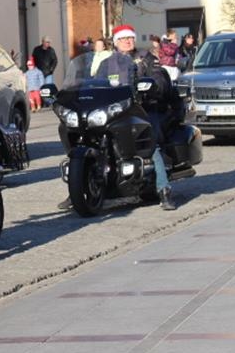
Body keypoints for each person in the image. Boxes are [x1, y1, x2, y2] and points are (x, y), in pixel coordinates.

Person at [57, 24, 177, 212]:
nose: (127, 41)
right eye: (122, 39)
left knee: (150, 142)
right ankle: (78, 189)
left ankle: (164, 190)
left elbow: (159, 80)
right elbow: (95, 83)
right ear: (115, 42)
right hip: (115, 110)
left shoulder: (146, 59)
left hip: (142, 107)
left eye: (130, 38)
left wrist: (151, 87)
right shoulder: (107, 63)